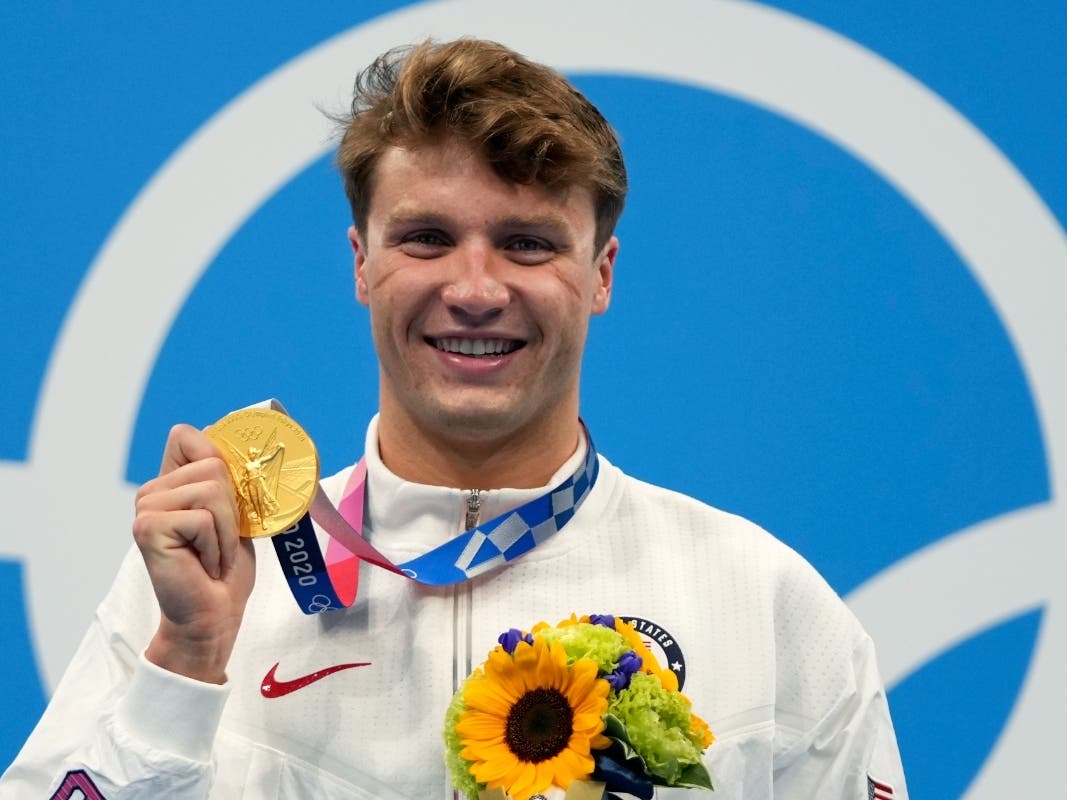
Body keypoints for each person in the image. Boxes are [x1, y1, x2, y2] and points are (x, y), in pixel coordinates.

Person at [1, 38, 908, 799]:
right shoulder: (205, 588)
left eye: (527, 244)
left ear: (601, 274)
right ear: (361, 263)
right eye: (426, 238)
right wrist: (186, 663)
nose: (474, 290)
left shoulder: (763, 604)